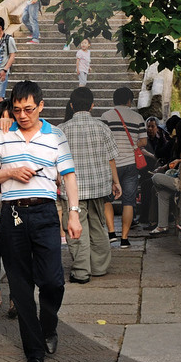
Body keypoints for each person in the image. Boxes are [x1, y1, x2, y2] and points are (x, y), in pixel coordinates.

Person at [0, 80, 82, 362]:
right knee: (20, 285)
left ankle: (48, 324)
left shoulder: (56, 136)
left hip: (45, 213)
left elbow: (69, 176)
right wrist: (11, 172)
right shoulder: (1, 136)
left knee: (53, 281)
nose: (22, 115)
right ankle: (34, 349)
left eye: (28, 109)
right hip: (11, 214)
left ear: (41, 106)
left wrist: (73, 213)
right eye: (16, 110)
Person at [61, 86, 115, 283]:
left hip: (72, 190)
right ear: (93, 105)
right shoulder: (102, 127)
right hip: (98, 186)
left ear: (72, 105)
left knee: (76, 229)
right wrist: (115, 182)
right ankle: (99, 267)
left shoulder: (62, 130)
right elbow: (111, 159)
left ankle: (82, 271)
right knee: (97, 226)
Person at [101, 87, 143, 247]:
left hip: (111, 164)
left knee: (107, 199)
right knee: (128, 201)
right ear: (129, 101)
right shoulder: (138, 117)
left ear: (114, 100)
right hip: (131, 164)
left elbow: (103, 141)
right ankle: (125, 239)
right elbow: (143, 141)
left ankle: (111, 233)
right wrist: (131, 145)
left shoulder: (106, 116)